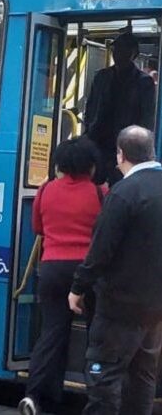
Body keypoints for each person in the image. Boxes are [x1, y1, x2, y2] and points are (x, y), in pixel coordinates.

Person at [69, 125, 162, 415]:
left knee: (103, 373)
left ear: (120, 155)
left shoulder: (124, 193)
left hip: (120, 303)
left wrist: (78, 287)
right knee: (144, 374)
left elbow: (102, 250)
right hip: (155, 306)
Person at [18, 137, 106, 415]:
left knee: (52, 333)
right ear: (91, 165)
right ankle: (96, 396)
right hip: (88, 271)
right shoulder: (100, 193)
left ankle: (36, 396)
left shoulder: (46, 190)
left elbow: (38, 227)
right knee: (97, 334)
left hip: (52, 268)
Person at [84, 32, 155, 185]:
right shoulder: (101, 76)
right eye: (115, 50)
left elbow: (147, 115)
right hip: (99, 140)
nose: (117, 54)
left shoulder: (144, 82)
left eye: (123, 50)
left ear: (133, 53)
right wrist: (89, 129)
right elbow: (90, 106)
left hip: (126, 144)